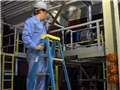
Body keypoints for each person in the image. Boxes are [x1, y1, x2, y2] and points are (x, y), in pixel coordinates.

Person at [22, 1, 48, 90]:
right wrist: (35, 46)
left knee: (42, 77)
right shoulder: (30, 21)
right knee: (33, 77)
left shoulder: (42, 24)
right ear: (41, 11)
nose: (46, 14)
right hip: (34, 53)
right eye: (46, 12)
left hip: (43, 54)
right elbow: (25, 36)